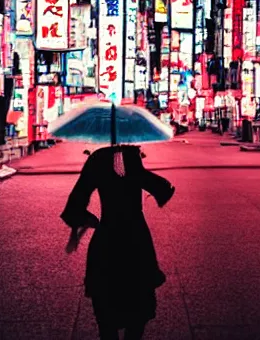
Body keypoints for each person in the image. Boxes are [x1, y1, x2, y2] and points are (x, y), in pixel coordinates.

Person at [61, 145, 175, 340]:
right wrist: (157, 185)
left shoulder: (97, 158)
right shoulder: (131, 156)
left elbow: (74, 205)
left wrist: (89, 220)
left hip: (107, 237)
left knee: (106, 317)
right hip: (135, 238)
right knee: (137, 312)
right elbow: (161, 188)